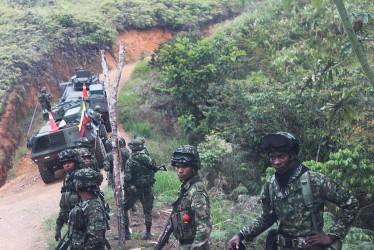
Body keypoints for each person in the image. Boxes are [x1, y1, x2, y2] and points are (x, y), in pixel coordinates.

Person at [227, 132, 359, 250]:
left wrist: (332, 236)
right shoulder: (271, 184)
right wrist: (241, 235)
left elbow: (351, 203)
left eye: (281, 156)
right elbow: (267, 216)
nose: (276, 162)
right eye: (272, 157)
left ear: (292, 155)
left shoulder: (315, 181)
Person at [160, 145, 212, 249]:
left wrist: (196, 246)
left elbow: (204, 226)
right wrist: (164, 233)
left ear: (193, 168)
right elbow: (177, 212)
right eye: (177, 167)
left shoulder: (197, 190)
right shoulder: (186, 186)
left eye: (184, 167)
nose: (180, 171)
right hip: (184, 244)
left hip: (193, 245)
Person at [123, 138, 159, 240]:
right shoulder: (147, 158)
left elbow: (127, 178)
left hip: (135, 190)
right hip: (147, 188)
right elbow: (153, 171)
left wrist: (127, 187)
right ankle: (148, 232)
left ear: (132, 149)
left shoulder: (130, 161)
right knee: (147, 211)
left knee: (124, 208)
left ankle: (126, 233)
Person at [68, 168, 109, 249]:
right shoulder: (86, 201)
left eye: (75, 181)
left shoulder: (94, 207)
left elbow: (96, 238)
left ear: (80, 185)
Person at [55, 149, 82, 242]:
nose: (66, 165)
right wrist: (58, 227)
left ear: (76, 162)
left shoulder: (83, 177)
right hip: (72, 224)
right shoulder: (67, 178)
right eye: (64, 163)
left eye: (69, 162)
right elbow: (64, 205)